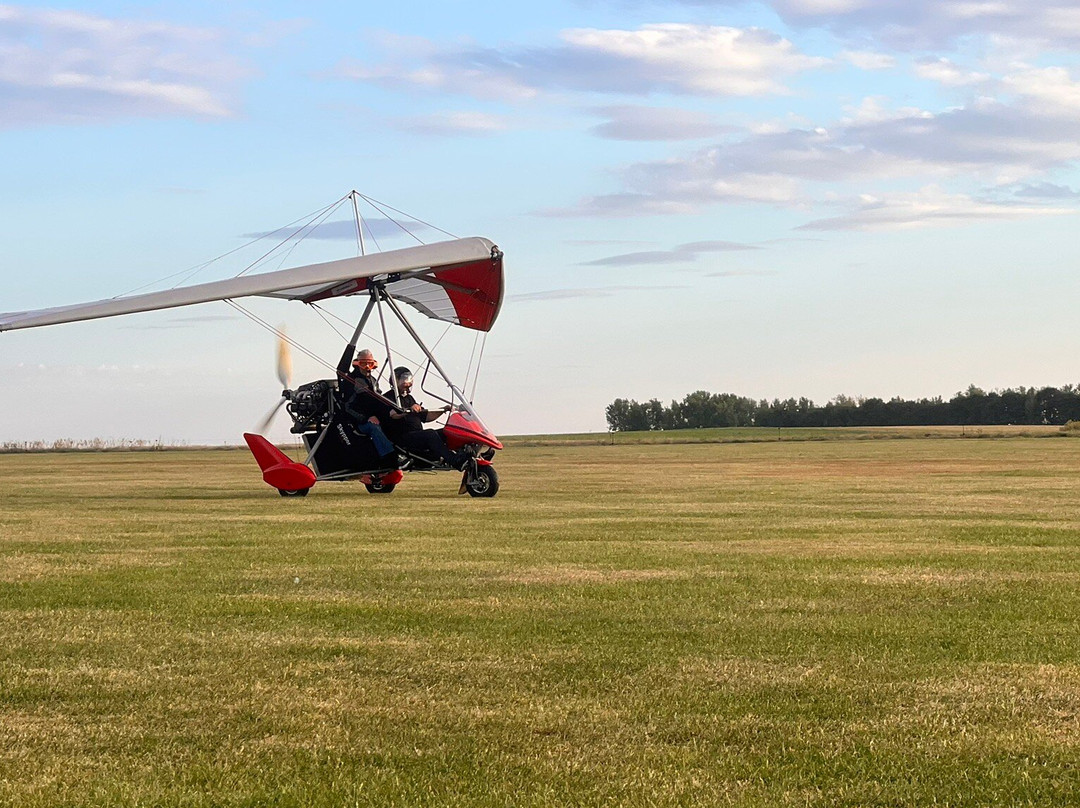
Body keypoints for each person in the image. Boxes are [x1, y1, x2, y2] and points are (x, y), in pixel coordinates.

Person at [384, 366, 465, 468]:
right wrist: (408, 410)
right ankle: (453, 460)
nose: (407, 388)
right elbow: (393, 415)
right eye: (405, 385)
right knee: (430, 434)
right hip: (402, 438)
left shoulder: (409, 398)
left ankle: (467, 455)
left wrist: (444, 409)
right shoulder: (388, 398)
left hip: (417, 435)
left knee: (447, 432)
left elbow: (426, 417)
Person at [336, 348, 399, 466]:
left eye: (370, 364)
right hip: (357, 422)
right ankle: (390, 458)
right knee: (374, 427)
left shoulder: (373, 380)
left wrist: (391, 411)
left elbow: (379, 401)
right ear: (357, 364)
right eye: (364, 363)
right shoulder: (351, 381)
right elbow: (347, 407)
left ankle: (404, 451)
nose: (367, 367)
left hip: (374, 417)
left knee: (393, 421)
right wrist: (366, 418)